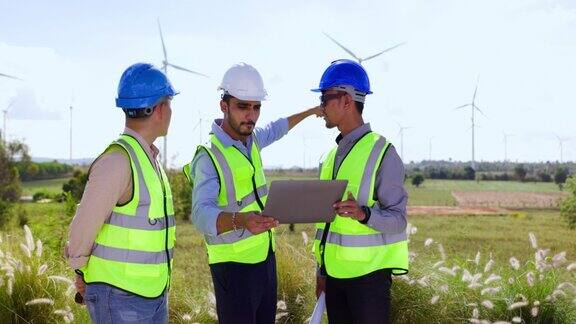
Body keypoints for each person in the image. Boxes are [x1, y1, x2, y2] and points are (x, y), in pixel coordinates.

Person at [183, 62, 322, 323]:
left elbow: (277, 128)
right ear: (224, 106)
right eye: (243, 106)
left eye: (256, 107)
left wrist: (312, 111)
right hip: (233, 269)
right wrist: (242, 220)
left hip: (264, 260)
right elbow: (201, 215)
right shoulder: (209, 156)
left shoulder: (252, 140)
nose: (251, 115)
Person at [66, 63, 177, 323]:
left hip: (153, 294)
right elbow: (84, 225)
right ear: (160, 108)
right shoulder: (118, 161)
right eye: (170, 104)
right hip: (119, 298)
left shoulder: (148, 158)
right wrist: (80, 272)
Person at [312, 59, 409, 324]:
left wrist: (364, 214)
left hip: (369, 282)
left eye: (325, 98)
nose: (321, 107)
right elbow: (326, 226)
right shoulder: (330, 157)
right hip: (334, 279)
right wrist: (321, 273)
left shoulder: (383, 153)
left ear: (346, 100)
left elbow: (399, 221)